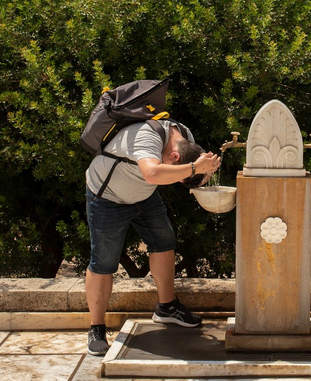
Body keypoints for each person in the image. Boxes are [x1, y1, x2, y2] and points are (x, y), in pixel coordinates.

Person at [84, 118, 221, 356]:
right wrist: (193, 169)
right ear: (176, 157)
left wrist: (203, 171)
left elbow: (185, 170)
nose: (177, 181)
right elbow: (152, 173)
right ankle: (96, 328)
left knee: (164, 242)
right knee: (104, 261)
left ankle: (166, 308)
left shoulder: (184, 136)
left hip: (144, 196)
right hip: (108, 196)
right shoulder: (146, 136)